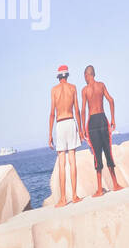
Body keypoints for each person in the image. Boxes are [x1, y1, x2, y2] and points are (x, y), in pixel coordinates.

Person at [80, 64, 123, 197]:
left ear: (88, 75)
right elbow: (111, 100)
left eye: (84, 76)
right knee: (108, 151)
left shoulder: (85, 90)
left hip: (92, 121)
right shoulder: (101, 85)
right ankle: (115, 184)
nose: (84, 79)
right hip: (103, 119)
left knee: (97, 154)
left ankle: (100, 189)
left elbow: (82, 110)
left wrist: (82, 129)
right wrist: (113, 119)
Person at [48, 64, 85, 207]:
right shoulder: (73, 88)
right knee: (72, 161)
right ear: (67, 76)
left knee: (61, 163)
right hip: (71, 122)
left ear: (58, 77)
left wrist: (50, 134)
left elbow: (52, 112)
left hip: (60, 123)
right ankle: (74, 196)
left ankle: (63, 198)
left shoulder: (54, 90)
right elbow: (77, 110)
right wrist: (80, 130)